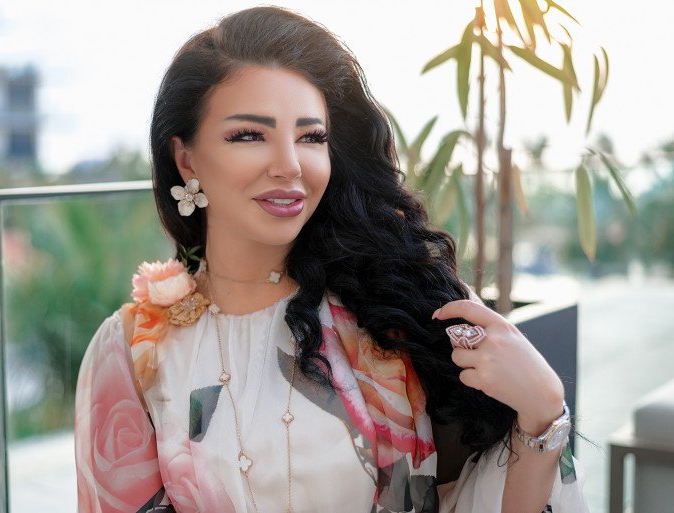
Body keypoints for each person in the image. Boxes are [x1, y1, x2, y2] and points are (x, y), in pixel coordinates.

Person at [74, 6, 587, 513]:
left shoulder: (399, 303)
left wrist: (543, 412)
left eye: (311, 137)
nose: (289, 164)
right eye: (249, 135)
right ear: (186, 158)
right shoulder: (133, 353)